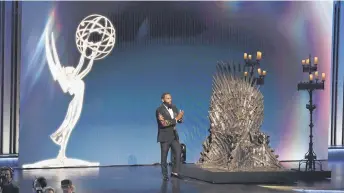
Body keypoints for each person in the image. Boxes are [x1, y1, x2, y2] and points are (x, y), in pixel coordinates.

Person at [156, 92, 184, 181]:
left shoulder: (174, 107)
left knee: (178, 152)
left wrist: (180, 119)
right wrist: (176, 119)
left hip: (174, 135)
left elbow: (178, 119)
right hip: (164, 136)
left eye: (170, 98)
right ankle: (165, 175)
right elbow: (163, 123)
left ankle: (175, 172)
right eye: (168, 98)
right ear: (163, 100)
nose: (170, 100)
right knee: (164, 156)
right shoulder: (159, 110)